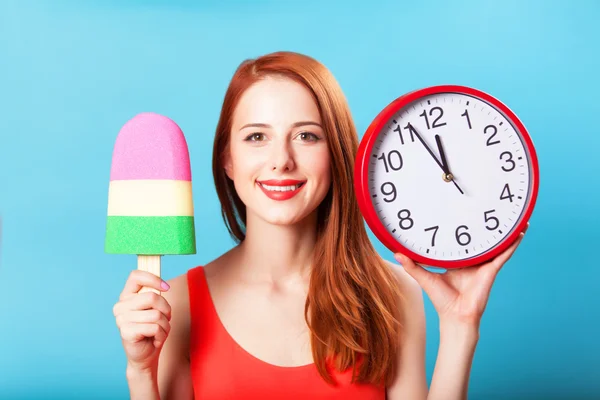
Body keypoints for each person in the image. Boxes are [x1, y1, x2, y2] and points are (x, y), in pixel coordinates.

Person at [112, 51, 527, 400]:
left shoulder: (394, 293)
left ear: (337, 154)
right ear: (228, 159)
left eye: (307, 136)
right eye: (257, 137)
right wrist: (141, 373)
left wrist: (459, 327)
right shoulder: (177, 305)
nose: (281, 160)